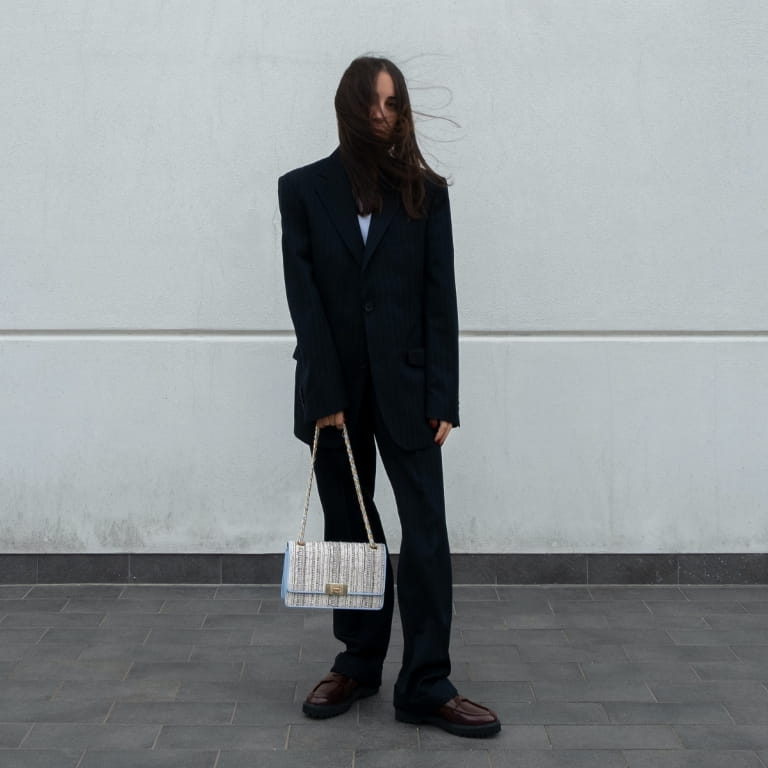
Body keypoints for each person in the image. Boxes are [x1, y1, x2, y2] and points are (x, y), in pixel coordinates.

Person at [278, 55, 500, 739]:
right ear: (348, 107)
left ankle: (427, 683)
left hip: (410, 390)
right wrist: (323, 389)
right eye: (372, 103)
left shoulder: (425, 193)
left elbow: (440, 298)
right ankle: (357, 661)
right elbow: (304, 299)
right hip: (334, 393)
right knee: (352, 528)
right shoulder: (303, 190)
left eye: (393, 103)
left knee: (425, 532)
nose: (383, 115)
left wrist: (444, 395)